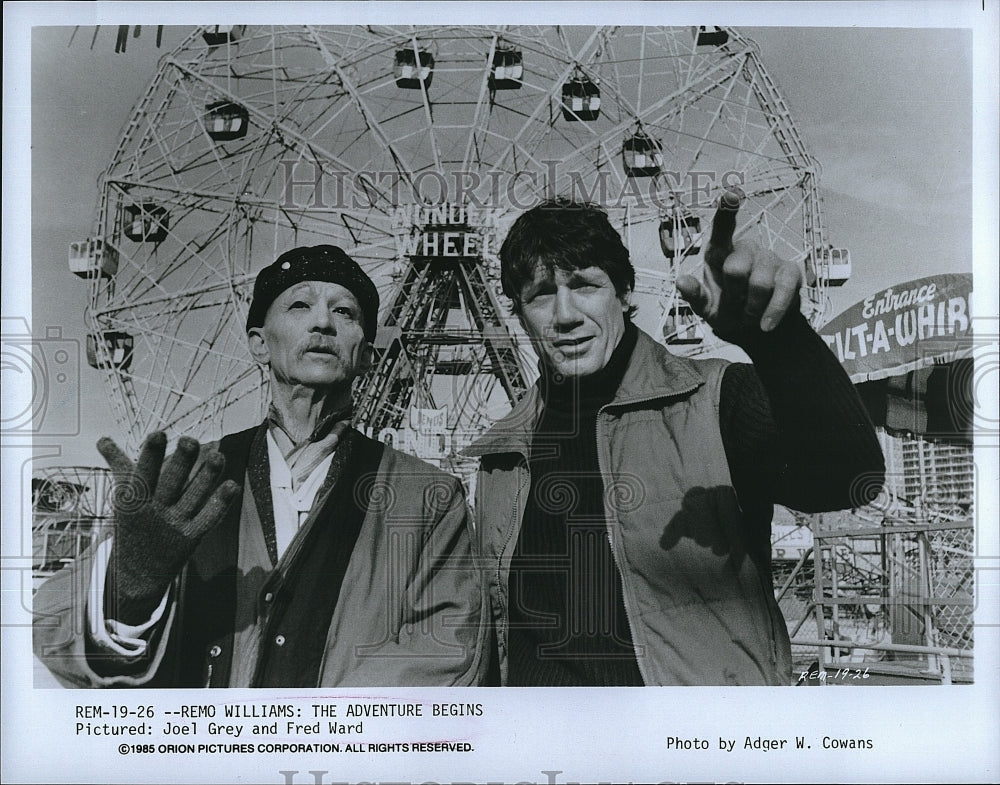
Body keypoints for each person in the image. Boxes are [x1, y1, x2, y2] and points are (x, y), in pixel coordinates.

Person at [464, 196, 885, 686]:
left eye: (584, 286)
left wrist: (777, 339)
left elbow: (851, 478)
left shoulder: (715, 401)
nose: (565, 315)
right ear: (518, 313)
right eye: (540, 294)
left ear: (623, 293)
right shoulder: (502, 454)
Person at [34, 245, 489, 687]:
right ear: (258, 343)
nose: (324, 321)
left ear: (368, 354)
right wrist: (128, 591)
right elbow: (52, 624)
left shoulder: (428, 496)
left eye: (345, 312)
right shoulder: (189, 481)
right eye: (299, 305)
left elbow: (451, 651)